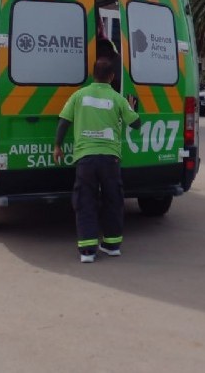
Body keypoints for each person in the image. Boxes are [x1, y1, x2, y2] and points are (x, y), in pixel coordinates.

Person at [53, 56, 141, 263]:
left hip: (85, 159)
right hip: (110, 159)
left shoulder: (79, 96)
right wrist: (131, 107)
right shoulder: (118, 99)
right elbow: (136, 124)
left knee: (85, 201)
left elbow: (63, 121)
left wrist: (57, 146)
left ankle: (87, 251)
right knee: (113, 200)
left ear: (93, 75)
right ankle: (112, 245)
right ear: (112, 77)